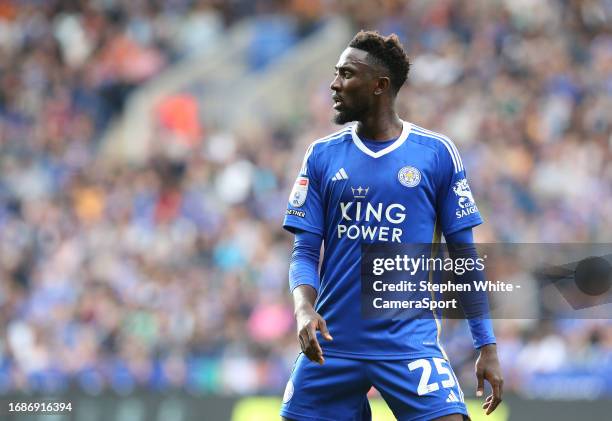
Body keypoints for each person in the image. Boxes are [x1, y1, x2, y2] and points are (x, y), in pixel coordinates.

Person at [281, 30, 503, 421]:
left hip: (407, 346)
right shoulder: (321, 156)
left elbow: (464, 258)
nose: (335, 84)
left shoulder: (436, 154)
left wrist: (487, 346)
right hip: (332, 348)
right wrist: (303, 309)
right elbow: (303, 253)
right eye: (336, 73)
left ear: (380, 85)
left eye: (347, 74)